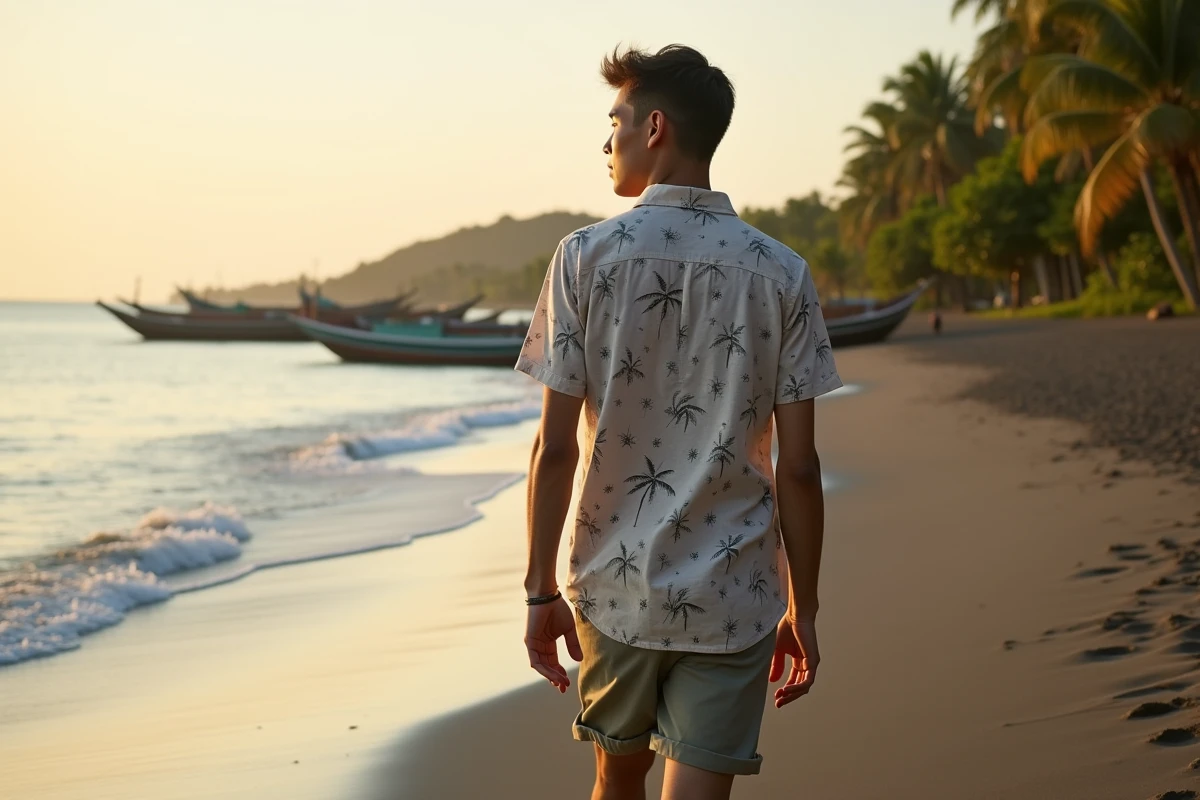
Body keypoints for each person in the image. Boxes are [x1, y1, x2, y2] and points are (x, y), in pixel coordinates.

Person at [515, 44, 841, 800]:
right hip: (735, 590)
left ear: (654, 127)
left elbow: (554, 449)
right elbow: (798, 466)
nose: (608, 142)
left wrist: (539, 592)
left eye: (616, 122)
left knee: (616, 779)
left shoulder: (584, 258)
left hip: (615, 586)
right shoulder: (781, 271)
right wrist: (805, 607)